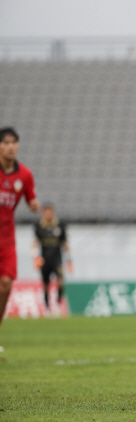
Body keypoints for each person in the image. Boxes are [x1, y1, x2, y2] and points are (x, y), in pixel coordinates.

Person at [0, 127, 40, 350]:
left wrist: (34, 205)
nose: (10, 146)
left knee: (5, 284)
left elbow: (31, 198)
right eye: (5, 142)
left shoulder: (24, 174)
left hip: (6, 239)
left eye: (14, 142)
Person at [33, 202, 72, 314]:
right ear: (43, 214)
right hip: (44, 259)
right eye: (46, 212)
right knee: (45, 284)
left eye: (50, 212)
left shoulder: (60, 225)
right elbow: (35, 242)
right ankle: (47, 307)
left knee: (60, 281)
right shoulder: (39, 226)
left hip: (57, 259)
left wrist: (69, 259)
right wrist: (35, 257)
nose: (48, 215)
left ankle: (59, 303)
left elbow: (65, 242)